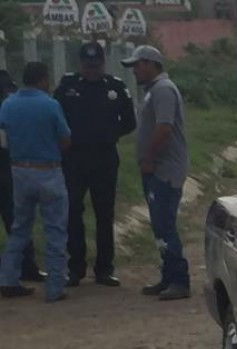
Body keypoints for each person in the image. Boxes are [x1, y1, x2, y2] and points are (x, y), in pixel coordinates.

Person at [56, 41, 137, 288]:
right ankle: (75, 268)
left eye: (95, 65)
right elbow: (56, 117)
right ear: (80, 64)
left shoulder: (115, 87)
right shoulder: (68, 86)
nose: (91, 70)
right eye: (87, 66)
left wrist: (109, 134)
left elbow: (130, 122)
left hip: (104, 158)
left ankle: (104, 269)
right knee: (72, 213)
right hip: (74, 158)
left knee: (104, 214)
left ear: (103, 64)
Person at [121, 45, 189, 301]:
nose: (135, 71)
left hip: (164, 169)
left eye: (137, 65)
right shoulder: (153, 91)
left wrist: (149, 157)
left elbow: (164, 128)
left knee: (165, 224)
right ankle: (168, 276)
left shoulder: (163, 90)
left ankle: (180, 280)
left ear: (151, 64)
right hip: (156, 169)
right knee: (159, 226)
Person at [0, 62, 72, 302]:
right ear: (42, 79)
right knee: (55, 229)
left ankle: (8, 279)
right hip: (48, 170)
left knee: (20, 227)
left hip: (19, 170)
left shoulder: (8, 104)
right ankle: (54, 286)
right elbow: (64, 139)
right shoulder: (50, 105)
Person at [0, 69, 45, 282]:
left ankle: (21, 270)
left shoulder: (9, 103)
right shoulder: (9, 103)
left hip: (9, 168)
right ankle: (24, 270)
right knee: (18, 223)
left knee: (18, 223)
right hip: (7, 168)